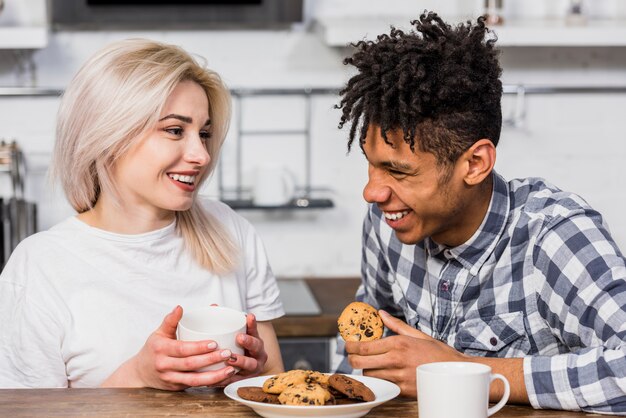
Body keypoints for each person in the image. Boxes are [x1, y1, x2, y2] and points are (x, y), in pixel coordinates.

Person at [334, 11, 626, 414]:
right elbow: (373, 326)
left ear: (474, 164)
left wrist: (465, 371)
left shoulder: (555, 237)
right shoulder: (389, 221)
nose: (372, 191)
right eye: (371, 164)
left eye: (398, 171)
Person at [0, 39, 285, 389]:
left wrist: (254, 376)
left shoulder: (230, 230)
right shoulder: (40, 266)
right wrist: (138, 376)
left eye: (205, 133)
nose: (202, 155)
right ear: (108, 136)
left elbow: (280, 390)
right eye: (175, 131)